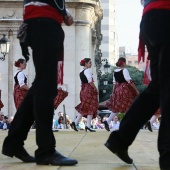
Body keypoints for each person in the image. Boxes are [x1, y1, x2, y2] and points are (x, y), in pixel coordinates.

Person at [2, 0, 77, 166]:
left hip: (40, 21)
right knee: (46, 88)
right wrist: (64, 12)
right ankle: (45, 150)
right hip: (44, 22)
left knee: (40, 86)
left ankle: (14, 142)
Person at [104, 1, 170, 170]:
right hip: (165, 15)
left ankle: (120, 139)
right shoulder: (123, 72)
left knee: (157, 89)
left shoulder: (118, 72)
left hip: (151, 18)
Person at [104, 57, 138, 131]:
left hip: (117, 90)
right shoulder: (124, 70)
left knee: (117, 107)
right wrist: (136, 90)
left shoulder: (115, 71)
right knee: (128, 106)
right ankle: (127, 125)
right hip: (124, 90)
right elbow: (129, 81)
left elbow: (114, 83)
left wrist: (113, 93)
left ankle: (108, 121)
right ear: (124, 63)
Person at [70, 58, 98, 132]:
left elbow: (82, 83)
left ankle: (76, 123)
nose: (91, 64)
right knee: (90, 106)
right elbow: (90, 81)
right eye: (89, 63)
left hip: (84, 89)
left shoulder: (81, 72)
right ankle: (86, 125)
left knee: (86, 107)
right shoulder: (87, 71)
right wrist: (95, 88)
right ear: (86, 63)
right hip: (89, 90)